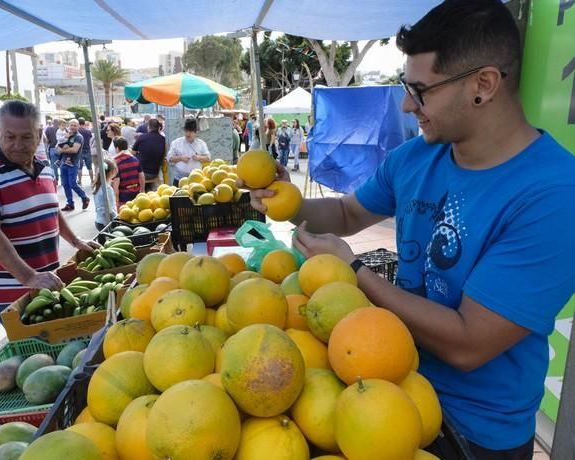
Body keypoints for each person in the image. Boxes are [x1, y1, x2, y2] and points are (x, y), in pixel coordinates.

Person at [248, 1, 575, 457]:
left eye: (420, 90)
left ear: (484, 85)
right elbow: (345, 214)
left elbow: (468, 343)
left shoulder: (555, 195)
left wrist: (355, 268)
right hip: (382, 385)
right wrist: (288, 201)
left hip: (474, 433)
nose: (406, 104)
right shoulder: (415, 158)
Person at [0, 101, 98, 322]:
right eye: (10, 137)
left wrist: (75, 241)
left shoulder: (44, 167)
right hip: (10, 289)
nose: (17, 145)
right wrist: (28, 277)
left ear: (39, 134)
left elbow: (51, 210)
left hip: (45, 279)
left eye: (25, 137)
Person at [57, 119, 90, 211]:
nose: (72, 127)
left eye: (74, 125)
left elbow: (74, 150)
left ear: (78, 126)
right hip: (64, 163)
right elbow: (58, 146)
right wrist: (63, 145)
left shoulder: (79, 137)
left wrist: (63, 150)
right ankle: (70, 204)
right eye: (71, 125)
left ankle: (84, 197)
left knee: (72, 183)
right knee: (65, 184)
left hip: (73, 163)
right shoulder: (67, 136)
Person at [166, 118, 211, 186]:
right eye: (186, 131)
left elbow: (208, 158)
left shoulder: (201, 143)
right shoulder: (176, 142)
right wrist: (180, 158)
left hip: (197, 180)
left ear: (196, 132)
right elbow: (169, 158)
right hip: (179, 179)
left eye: (190, 132)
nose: (188, 134)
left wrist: (199, 157)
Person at [131, 118, 166, 191]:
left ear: (148, 127)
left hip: (140, 173)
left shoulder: (142, 137)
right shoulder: (163, 139)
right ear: (158, 127)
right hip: (155, 173)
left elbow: (133, 153)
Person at [111, 137, 145, 208]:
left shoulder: (116, 162)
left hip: (123, 197)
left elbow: (116, 183)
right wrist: (142, 190)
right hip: (136, 194)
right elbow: (141, 176)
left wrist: (116, 199)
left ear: (117, 148)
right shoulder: (135, 160)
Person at [93, 158, 117, 237]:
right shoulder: (107, 189)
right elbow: (110, 209)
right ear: (112, 172)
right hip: (106, 222)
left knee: (102, 242)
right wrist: (118, 218)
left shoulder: (97, 186)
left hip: (99, 221)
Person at [77, 118, 94, 185]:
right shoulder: (88, 131)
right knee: (89, 167)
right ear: (84, 123)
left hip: (79, 151)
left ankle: (80, 180)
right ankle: (92, 180)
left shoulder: (77, 131)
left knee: (79, 167)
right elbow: (90, 140)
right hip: (87, 150)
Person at [44, 118, 60, 184]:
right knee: (62, 164)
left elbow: (46, 140)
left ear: (52, 123)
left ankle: (56, 180)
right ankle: (64, 180)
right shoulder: (62, 129)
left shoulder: (48, 129)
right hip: (61, 149)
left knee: (54, 166)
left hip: (52, 148)